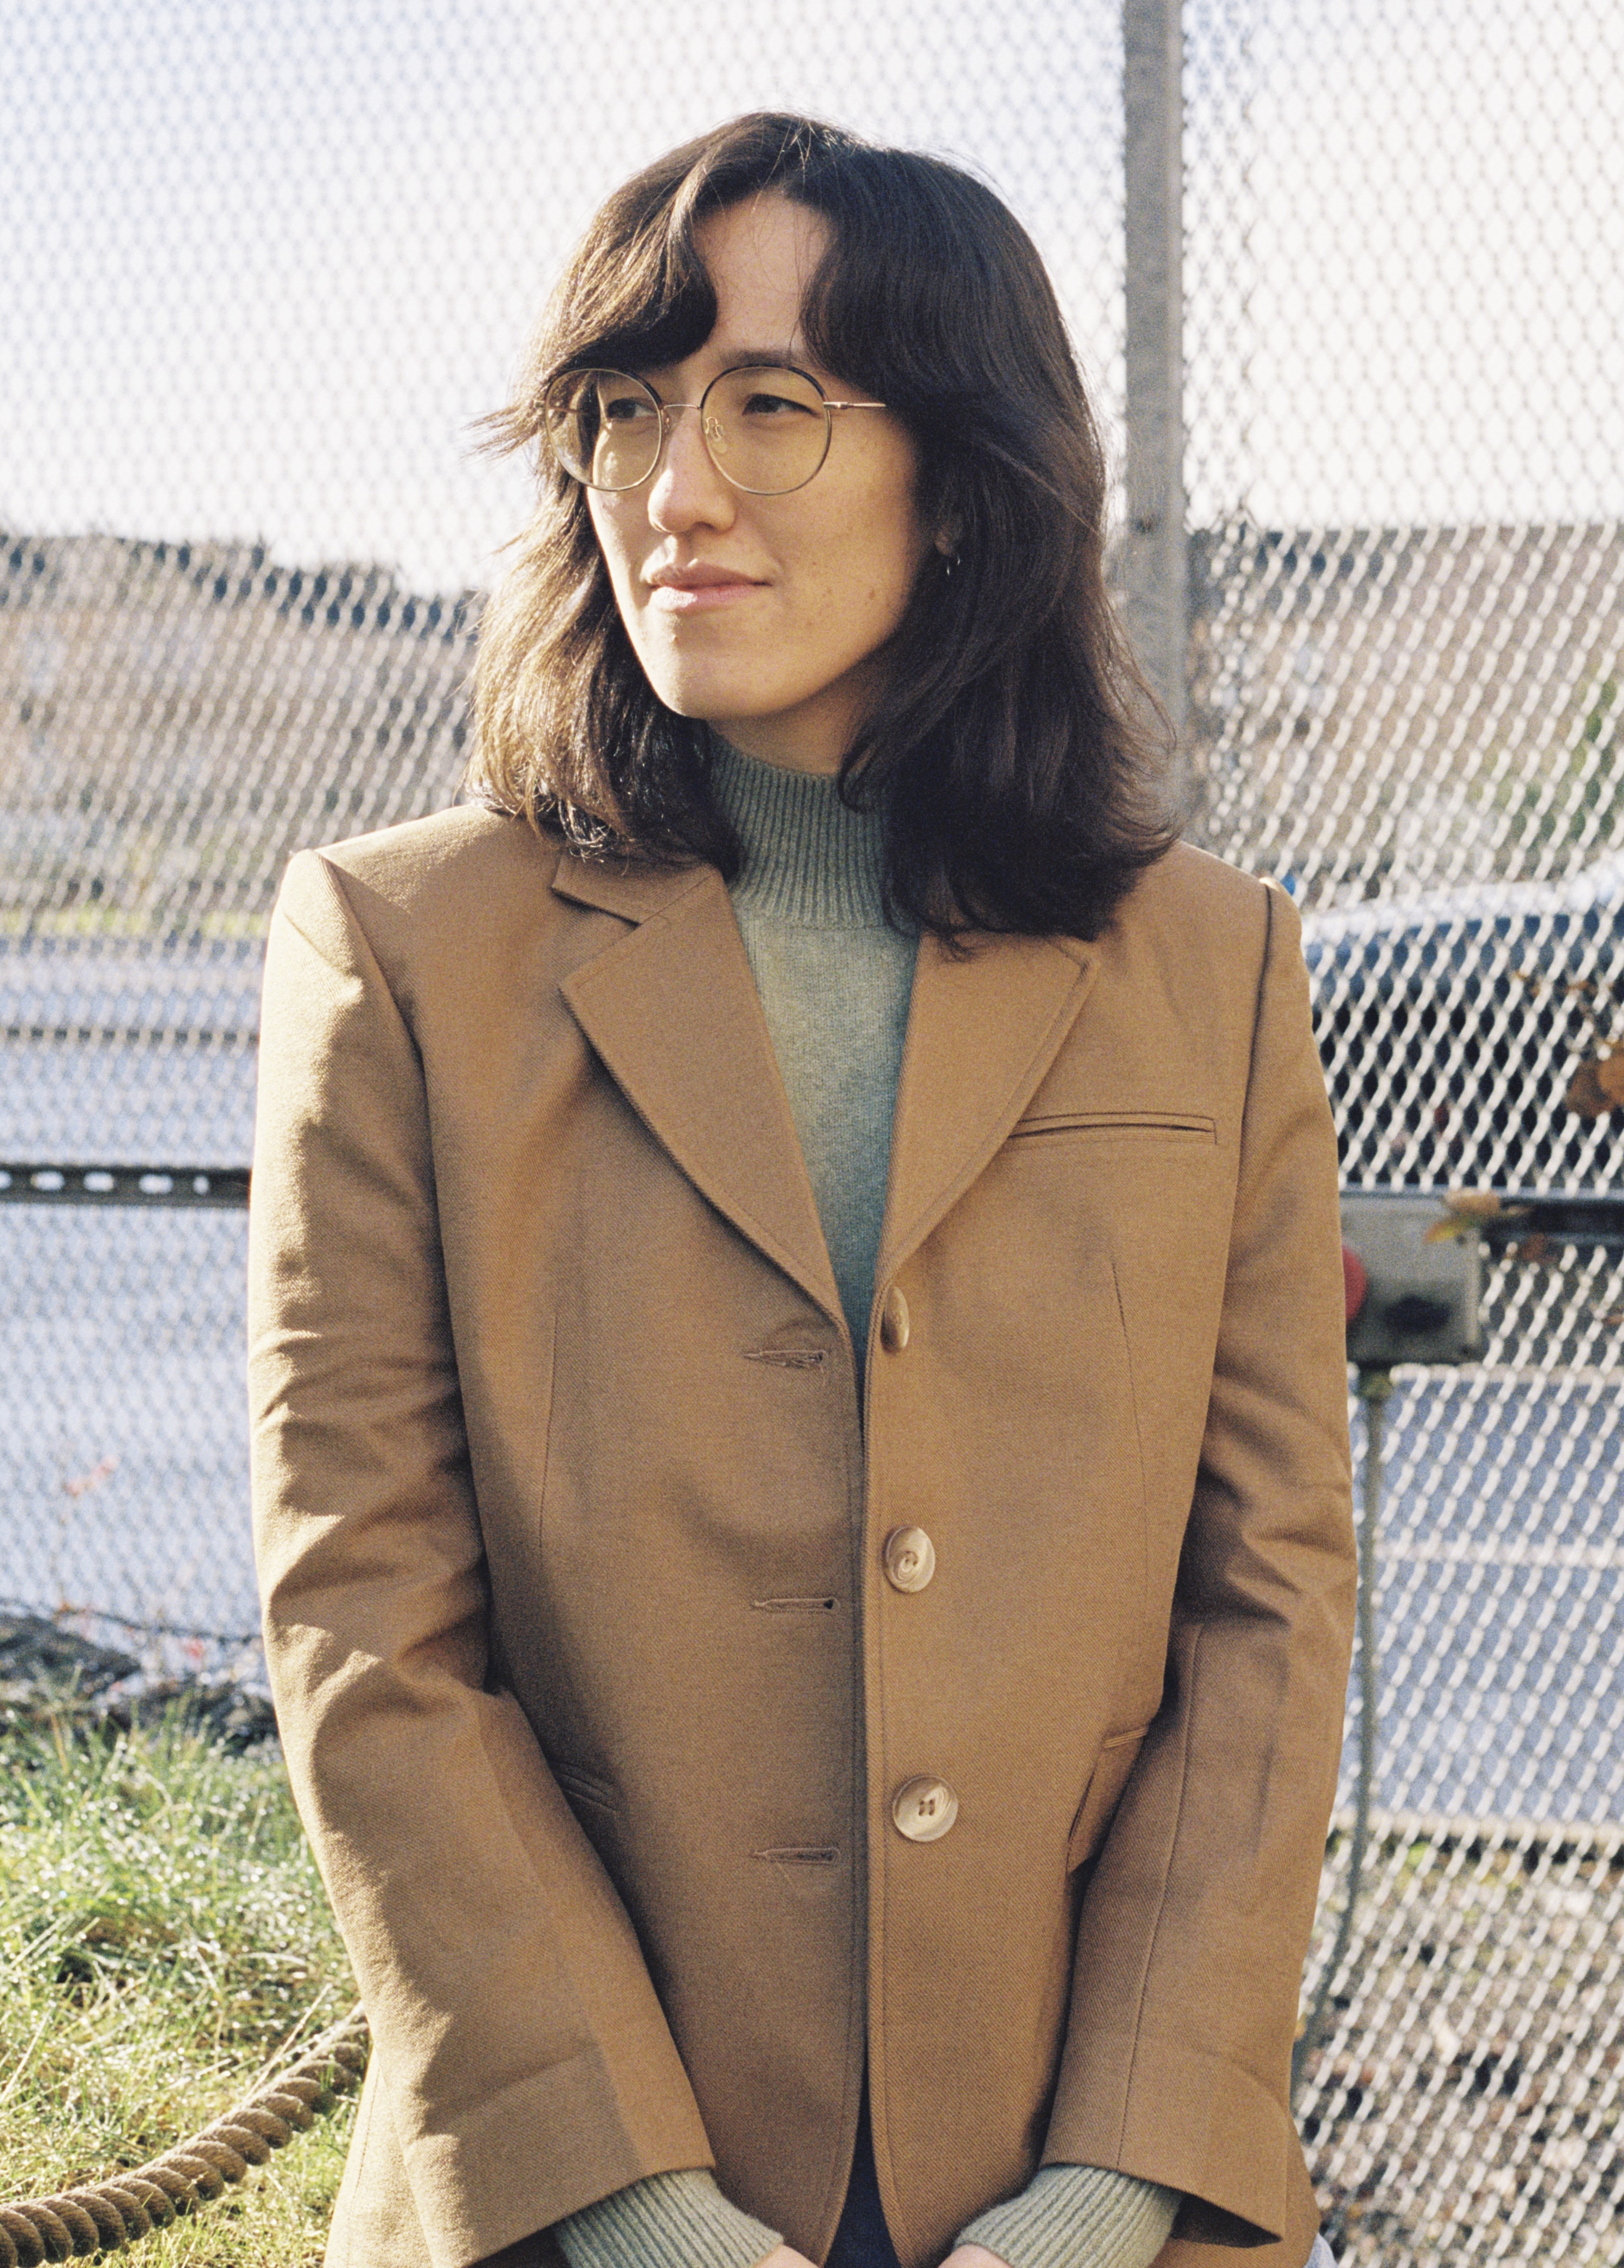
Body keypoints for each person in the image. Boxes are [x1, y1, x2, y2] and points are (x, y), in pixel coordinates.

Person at [248, 112, 1355, 2268]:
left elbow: (1266, 1611)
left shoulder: (1206, 964)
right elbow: (367, 1617)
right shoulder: (395, 947)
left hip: (1074, 2194)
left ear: (962, 473)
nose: (677, 491)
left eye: (770, 406)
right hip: (570, 2201)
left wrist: (1121, 2174)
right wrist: (630, 2198)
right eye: (626, 412)